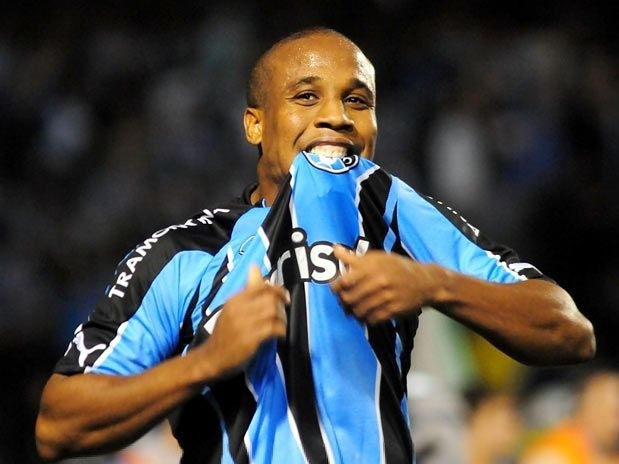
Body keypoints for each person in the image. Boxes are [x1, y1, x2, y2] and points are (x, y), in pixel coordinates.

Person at [35, 27, 595, 463]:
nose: (336, 117)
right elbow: (59, 425)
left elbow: (569, 331)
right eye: (306, 96)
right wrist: (206, 361)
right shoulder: (187, 253)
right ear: (255, 125)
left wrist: (434, 284)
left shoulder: (396, 212)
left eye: (358, 101)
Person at [519, 366, 619, 464]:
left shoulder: (610, 453)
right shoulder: (552, 455)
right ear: (587, 404)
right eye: (614, 413)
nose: (615, 423)